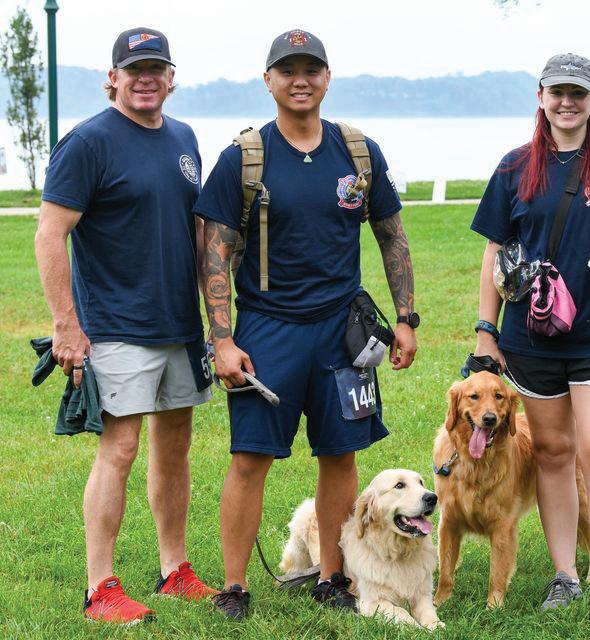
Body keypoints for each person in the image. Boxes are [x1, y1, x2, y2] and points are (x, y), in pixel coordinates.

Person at [192, 29, 416, 620]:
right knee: (250, 458)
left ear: (327, 78)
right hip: (268, 330)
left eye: (311, 69)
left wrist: (406, 318)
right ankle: (235, 587)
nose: (300, 80)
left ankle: (333, 577)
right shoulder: (245, 157)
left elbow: (391, 234)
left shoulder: (358, 152)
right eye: (287, 70)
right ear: (268, 80)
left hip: (343, 334)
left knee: (340, 456)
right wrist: (222, 339)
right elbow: (214, 251)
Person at [34, 27, 217, 624]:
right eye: (134, 69)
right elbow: (50, 234)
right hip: (115, 325)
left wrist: (217, 321)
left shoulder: (184, 138)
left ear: (171, 78)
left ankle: (174, 570)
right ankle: (100, 588)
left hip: (179, 326)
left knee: (175, 448)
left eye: (156, 68)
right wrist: (66, 326)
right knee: (120, 448)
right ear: (112, 78)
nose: (146, 79)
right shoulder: (87, 142)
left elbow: (197, 233)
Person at [470, 52, 590, 623]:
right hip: (530, 337)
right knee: (553, 452)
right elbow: (495, 252)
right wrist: (486, 332)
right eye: (558, 92)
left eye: (578, 93)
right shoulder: (515, 166)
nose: (567, 102)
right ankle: (565, 576)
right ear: (541, 97)